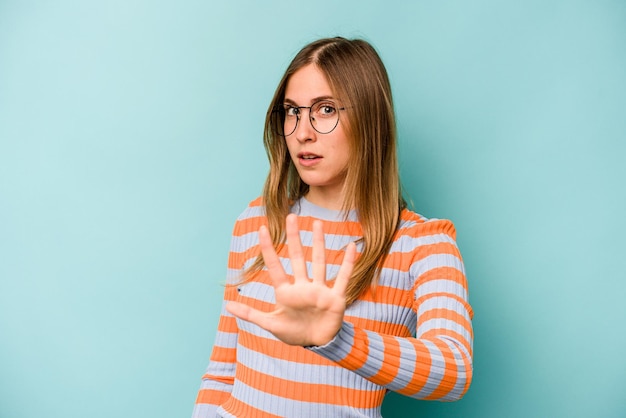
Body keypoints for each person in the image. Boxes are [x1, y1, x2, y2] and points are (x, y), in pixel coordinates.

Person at [192, 37, 473, 418]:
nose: (302, 131)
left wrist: (337, 340)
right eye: (292, 111)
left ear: (369, 119)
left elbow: (452, 371)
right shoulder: (256, 222)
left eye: (325, 110)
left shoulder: (423, 245)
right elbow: (222, 373)